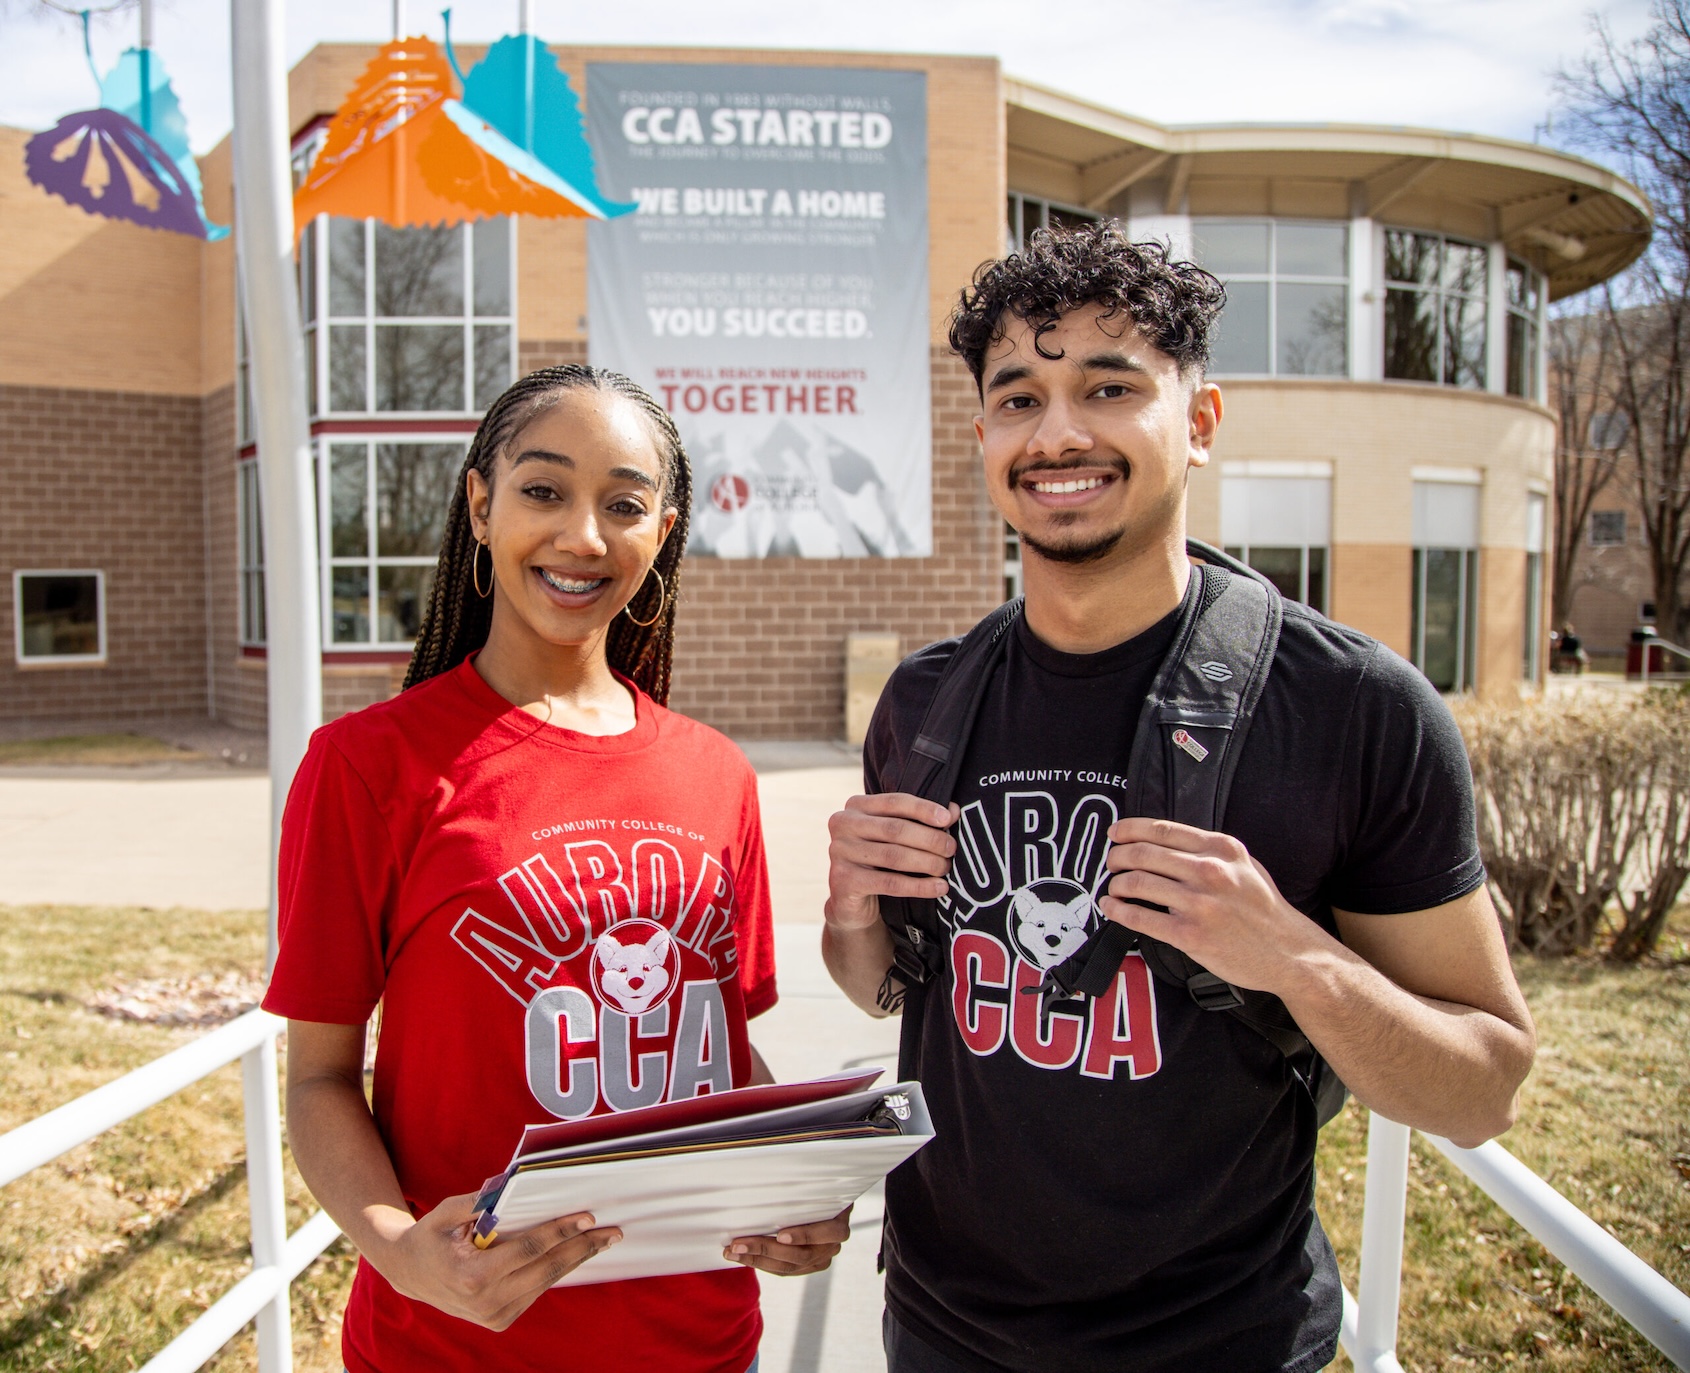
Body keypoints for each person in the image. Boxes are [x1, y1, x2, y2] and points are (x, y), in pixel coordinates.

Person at [822, 226, 1537, 1373]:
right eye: (1019, 399)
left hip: (1220, 1342)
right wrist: (850, 916)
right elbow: (880, 990)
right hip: (939, 1326)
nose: (1058, 432)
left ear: (1198, 423)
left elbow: (1482, 1087)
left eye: (1109, 387)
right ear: (983, 435)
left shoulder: (1358, 709)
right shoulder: (924, 701)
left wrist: (1295, 956)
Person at [263, 365, 848, 1373]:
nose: (583, 535)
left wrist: (784, 1179)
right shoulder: (368, 764)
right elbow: (318, 1078)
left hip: (705, 1343)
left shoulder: (715, 771)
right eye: (544, 489)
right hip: (454, 1348)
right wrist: (403, 1251)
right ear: (481, 502)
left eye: (622, 503)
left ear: (660, 534)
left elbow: (719, 1054)